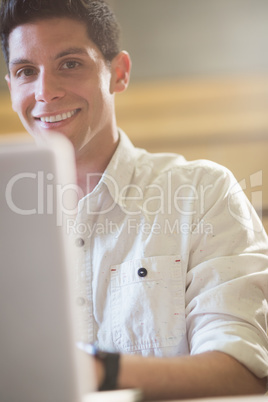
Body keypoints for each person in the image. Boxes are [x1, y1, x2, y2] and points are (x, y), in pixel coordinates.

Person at [0, 0, 268, 400]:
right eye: (26, 72)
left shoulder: (204, 193)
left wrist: (96, 372)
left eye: (70, 64)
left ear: (119, 74)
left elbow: (243, 372)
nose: (45, 92)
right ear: (11, 85)